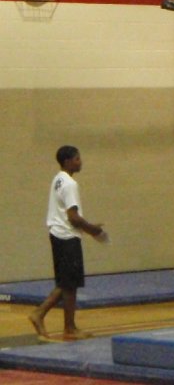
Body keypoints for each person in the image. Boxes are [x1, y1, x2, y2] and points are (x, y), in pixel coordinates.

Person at [28, 145, 108, 341]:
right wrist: (93, 230)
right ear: (67, 161)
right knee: (69, 283)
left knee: (67, 282)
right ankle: (58, 322)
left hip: (57, 234)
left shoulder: (58, 179)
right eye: (77, 159)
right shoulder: (70, 184)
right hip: (66, 236)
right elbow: (73, 217)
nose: (80, 162)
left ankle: (54, 320)